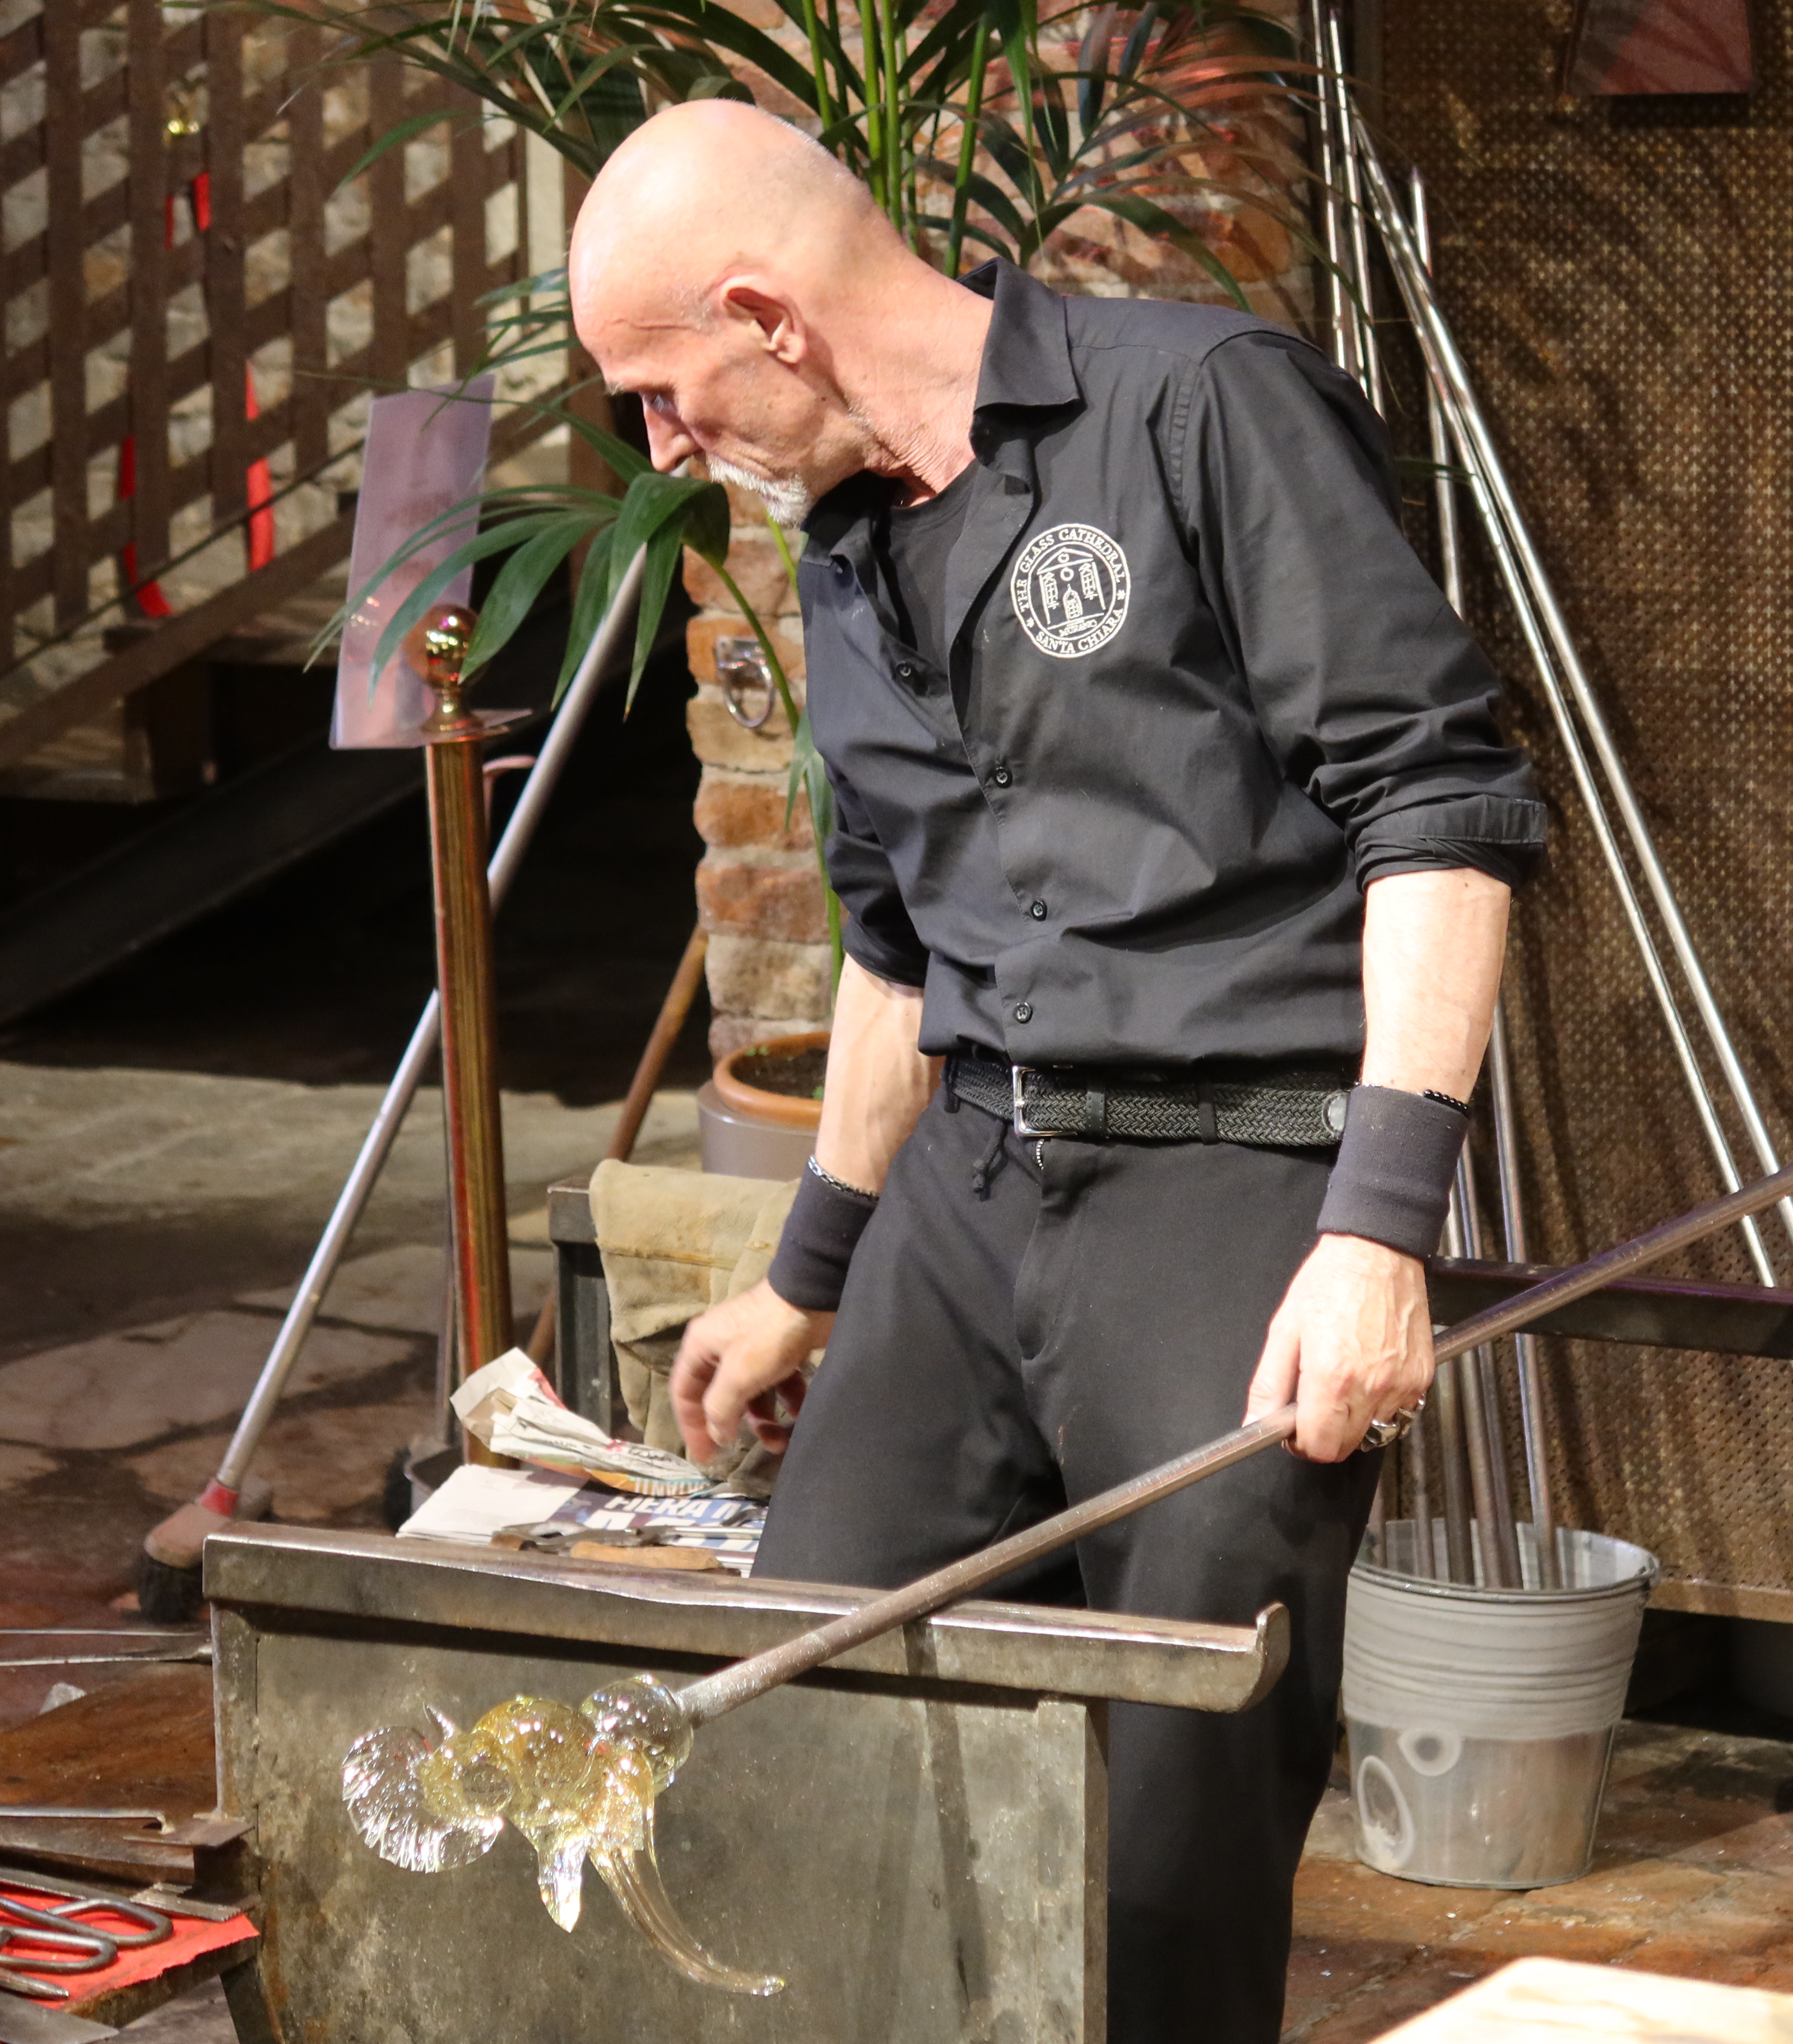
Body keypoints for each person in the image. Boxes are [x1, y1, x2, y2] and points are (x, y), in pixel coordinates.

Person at [568, 100, 1543, 2044]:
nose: (665, 451)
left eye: (663, 395)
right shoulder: (845, 547)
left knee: (1173, 1806)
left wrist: (1377, 1234)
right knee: (806, 1700)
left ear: (768, 316)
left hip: (1235, 1177)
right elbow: (897, 942)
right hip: (973, 1194)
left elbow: (1437, 806)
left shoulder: (1202, 406)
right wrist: (809, 1267)